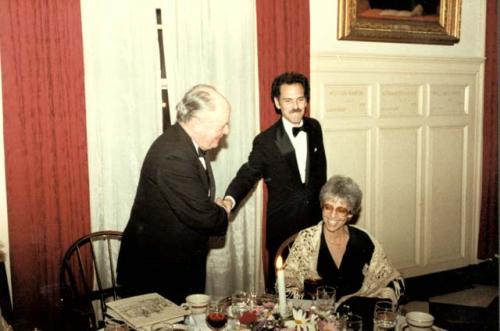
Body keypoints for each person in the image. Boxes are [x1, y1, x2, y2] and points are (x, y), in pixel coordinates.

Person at [117, 84, 232, 304]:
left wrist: (208, 209)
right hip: (156, 272)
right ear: (196, 122)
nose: (226, 130)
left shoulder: (187, 143)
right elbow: (205, 217)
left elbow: (197, 203)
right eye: (222, 125)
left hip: (179, 262)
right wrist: (222, 210)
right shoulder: (173, 156)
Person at [223, 72, 327, 292]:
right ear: (277, 103)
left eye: (300, 99)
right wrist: (230, 199)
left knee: (315, 291)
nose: (296, 106)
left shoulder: (314, 128)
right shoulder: (266, 140)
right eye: (288, 100)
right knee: (281, 298)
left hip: (315, 227)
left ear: (306, 100)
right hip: (283, 231)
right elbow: (248, 173)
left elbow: (320, 175)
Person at [281, 175, 404, 328]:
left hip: (356, 320)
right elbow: (288, 281)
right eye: (328, 207)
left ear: (350, 214)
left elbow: (391, 279)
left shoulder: (364, 241)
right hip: (314, 320)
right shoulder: (307, 239)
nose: (332, 215)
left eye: (341, 210)